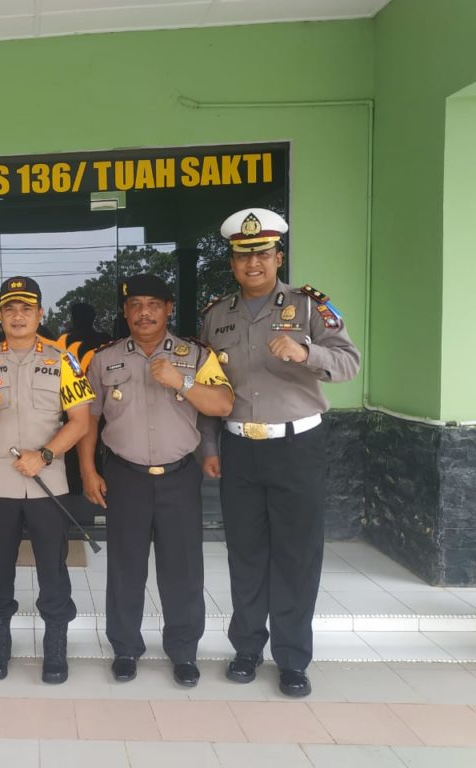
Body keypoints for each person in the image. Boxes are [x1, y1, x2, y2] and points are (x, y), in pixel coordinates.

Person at [200, 208, 360, 697]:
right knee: (245, 553)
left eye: (262, 253)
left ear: (278, 257)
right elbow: (211, 387)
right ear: (232, 262)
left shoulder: (310, 307)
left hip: (296, 447)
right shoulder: (216, 316)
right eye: (243, 255)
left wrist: (306, 353)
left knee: (296, 554)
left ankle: (292, 658)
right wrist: (210, 445)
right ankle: (247, 649)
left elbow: (349, 363)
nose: (253, 263)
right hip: (239, 448)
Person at [77, 274, 233, 687]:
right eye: (135, 305)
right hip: (124, 476)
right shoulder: (103, 359)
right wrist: (88, 470)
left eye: (153, 304)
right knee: (125, 568)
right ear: (125, 312)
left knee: (183, 570)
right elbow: (89, 418)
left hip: (179, 477)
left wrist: (181, 381)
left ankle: (183, 651)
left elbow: (223, 403)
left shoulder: (195, 355)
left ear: (168, 309)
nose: (143, 313)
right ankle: (125, 648)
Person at [0, 276, 94, 684]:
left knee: (53, 568)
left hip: (49, 482)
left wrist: (45, 454)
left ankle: (55, 647)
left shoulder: (62, 360)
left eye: (26, 309)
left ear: (40, 314)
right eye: (10, 309)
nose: (18, 316)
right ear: (0, 316)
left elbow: (80, 421)